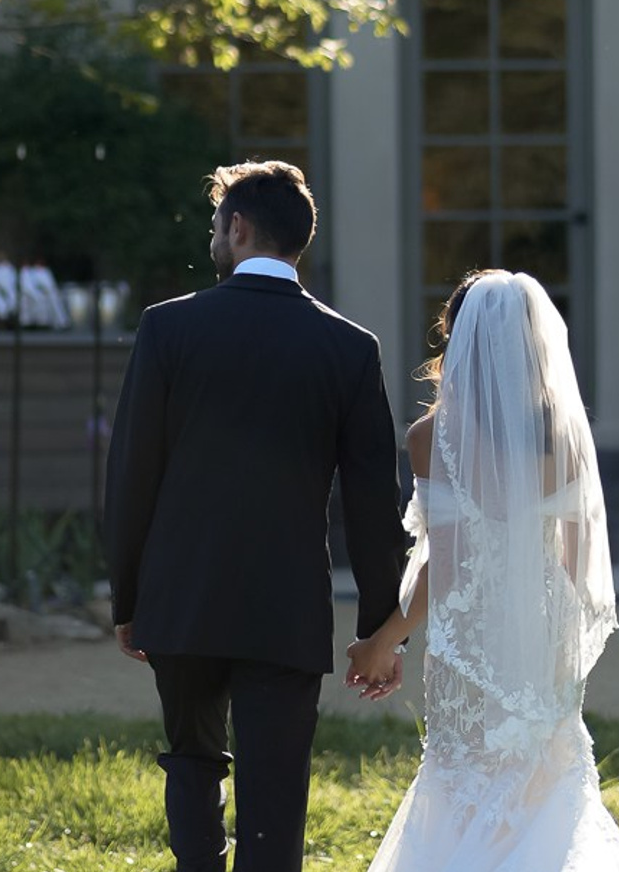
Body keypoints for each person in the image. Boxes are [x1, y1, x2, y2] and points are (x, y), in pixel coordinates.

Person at [105, 159, 408, 872]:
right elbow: (373, 501)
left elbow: (131, 476)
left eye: (216, 224)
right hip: (286, 604)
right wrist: (377, 625)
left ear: (237, 228)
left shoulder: (167, 328)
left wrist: (129, 597)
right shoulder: (350, 347)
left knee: (191, 760)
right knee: (277, 789)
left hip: (181, 594)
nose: (215, 236)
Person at [345, 269, 619, 872]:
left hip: (470, 643)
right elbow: (581, 563)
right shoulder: (563, 435)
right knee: (541, 789)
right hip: (541, 636)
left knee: (464, 790)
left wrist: (382, 641)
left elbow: (449, 566)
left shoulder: (433, 436)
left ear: (454, 340)